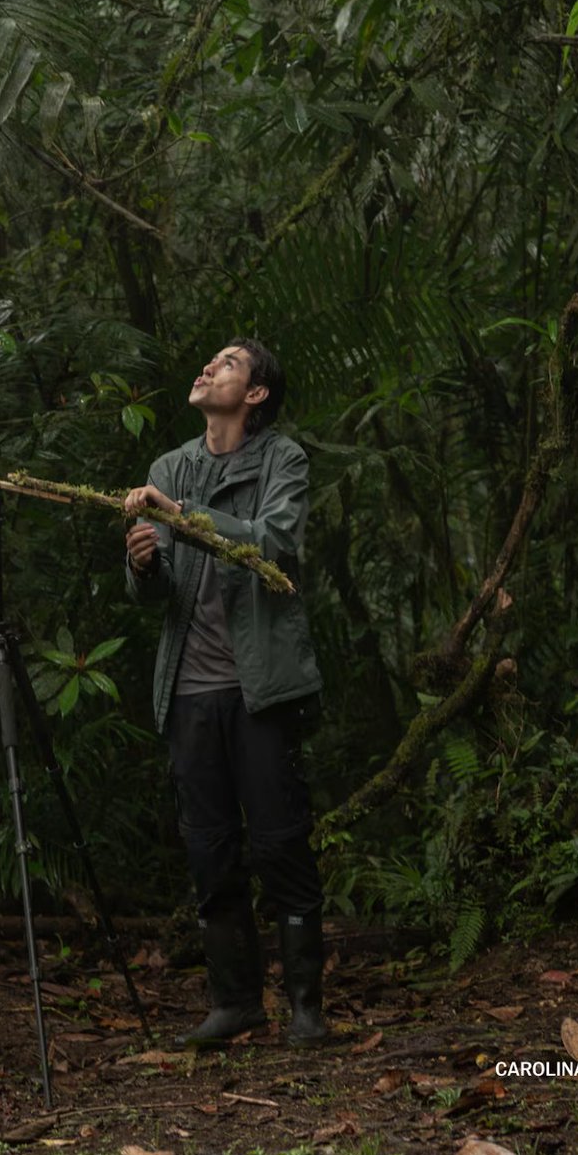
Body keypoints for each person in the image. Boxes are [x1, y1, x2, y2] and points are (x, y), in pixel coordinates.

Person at [123, 338, 327, 1047]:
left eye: (228, 365)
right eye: (208, 361)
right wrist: (145, 563)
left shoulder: (283, 460)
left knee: (280, 844)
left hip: (261, 689)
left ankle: (306, 1007)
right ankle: (235, 1002)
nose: (208, 368)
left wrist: (180, 518)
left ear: (256, 394)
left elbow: (272, 543)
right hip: (188, 691)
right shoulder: (170, 467)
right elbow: (157, 599)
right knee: (210, 851)